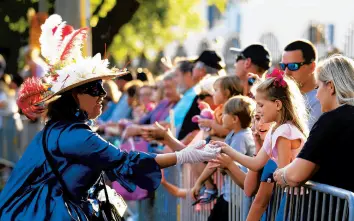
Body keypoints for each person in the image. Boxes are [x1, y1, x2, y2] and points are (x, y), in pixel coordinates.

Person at [0, 14, 219, 221]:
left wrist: (185, 153)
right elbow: (125, 160)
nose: (103, 95)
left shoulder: (60, 128)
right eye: (95, 89)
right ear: (76, 96)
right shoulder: (75, 136)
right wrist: (184, 156)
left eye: (102, 88)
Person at [274, 55, 354, 193]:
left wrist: (281, 174)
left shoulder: (330, 121)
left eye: (317, 87)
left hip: (333, 212)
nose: (316, 95)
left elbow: (296, 175)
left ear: (330, 86)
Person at [193, 95, 256, 221]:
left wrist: (200, 182)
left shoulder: (241, 137)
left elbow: (224, 163)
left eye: (224, 113)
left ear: (234, 119)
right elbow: (216, 161)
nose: (221, 117)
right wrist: (200, 181)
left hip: (236, 199)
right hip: (228, 195)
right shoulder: (233, 134)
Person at [281, 39, 322, 129]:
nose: (286, 72)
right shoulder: (284, 96)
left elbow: (306, 138)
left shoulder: (320, 100)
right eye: (283, 66)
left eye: (293, 66)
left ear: (312, 67)